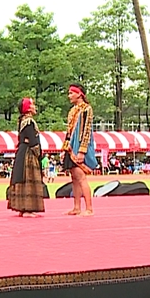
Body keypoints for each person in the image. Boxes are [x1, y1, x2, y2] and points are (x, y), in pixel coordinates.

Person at [62, 84, 97, 216]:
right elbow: (69, 131)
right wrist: (65, 148)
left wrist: (82, 151)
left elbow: (86, 131)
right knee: (74, 178)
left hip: (79, 147)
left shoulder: (86, 109)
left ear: (79, 94)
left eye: (71, 93)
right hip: (71, 147)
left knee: (81, 177)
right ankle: (76, 207)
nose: (69, 96)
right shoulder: (72, 111)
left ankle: (89, 208)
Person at [7, 98, 45, 216]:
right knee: (29, 179)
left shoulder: (22, 121)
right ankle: (28, 209)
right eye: (32, 104)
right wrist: (39, 154)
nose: (35, 107)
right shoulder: (29, 122)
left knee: (22, 178)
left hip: (22, 152)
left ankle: (22, 208)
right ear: (28, 108)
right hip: (29, 154)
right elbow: (33, 141)